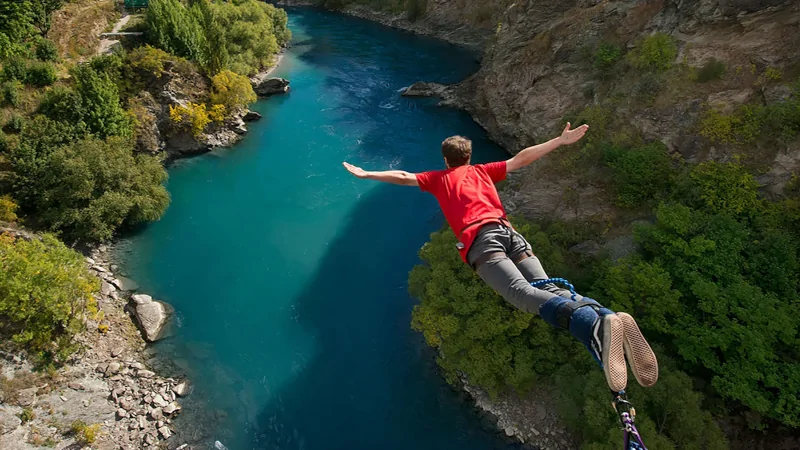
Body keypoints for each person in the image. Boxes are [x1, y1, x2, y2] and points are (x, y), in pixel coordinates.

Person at [342, 123, 658, 392]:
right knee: (546, 287)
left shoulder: (439, 179)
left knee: (520, 294)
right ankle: (603, 315)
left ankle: (591, 326)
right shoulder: (483, 171)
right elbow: (521, 159)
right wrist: (559, 141)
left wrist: (367, 174)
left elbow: (403, 175)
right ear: (469, 156)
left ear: (446, 160)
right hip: (510, 234)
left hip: (481, 240)